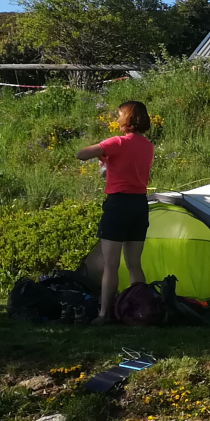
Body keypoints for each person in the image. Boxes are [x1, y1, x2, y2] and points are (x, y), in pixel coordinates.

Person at [76, 100, 154, 325]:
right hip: (139, 205)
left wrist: (103, 152)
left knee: (110, 265)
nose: (117, 118)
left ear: (126, 118)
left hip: (118, 204)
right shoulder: (147, 145)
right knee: (134, 265)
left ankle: (104, 314)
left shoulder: (117, 142)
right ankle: (139, 310)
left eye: (119, 114)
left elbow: (81, 154)